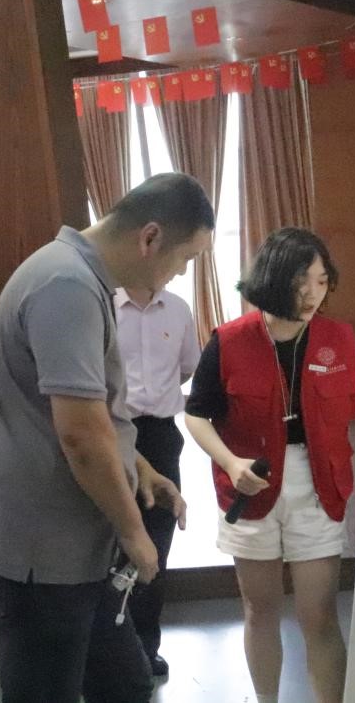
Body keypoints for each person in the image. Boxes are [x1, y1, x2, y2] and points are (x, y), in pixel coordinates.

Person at [0, 173, 213, 703]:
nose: (180, 274)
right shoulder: (66, 284)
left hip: (68, 549)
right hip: (38, 552)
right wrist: (134, 531)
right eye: (185, 259)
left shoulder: (75, 276)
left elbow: (93, 414)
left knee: (125, 686)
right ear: (150, 238)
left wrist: (138, 465)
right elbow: (80, 434)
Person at [183, 227, 355, 703]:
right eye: (301, 283)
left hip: (319, 485)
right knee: (260, 610)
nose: (313, 294)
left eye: (321, 281)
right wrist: (230, 463)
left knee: (318, 616)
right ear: (274, 281)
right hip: (251, 487)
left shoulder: (340, 339)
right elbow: (196, 415)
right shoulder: (229, 341)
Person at [114, 284, 198, 680]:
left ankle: (145, 648)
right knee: (110, 540)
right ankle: (109, 651)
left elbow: (187, 368)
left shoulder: (178, 308)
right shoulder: (104, 305)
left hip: (161, 436)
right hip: (111, 431)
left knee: (157, 544)